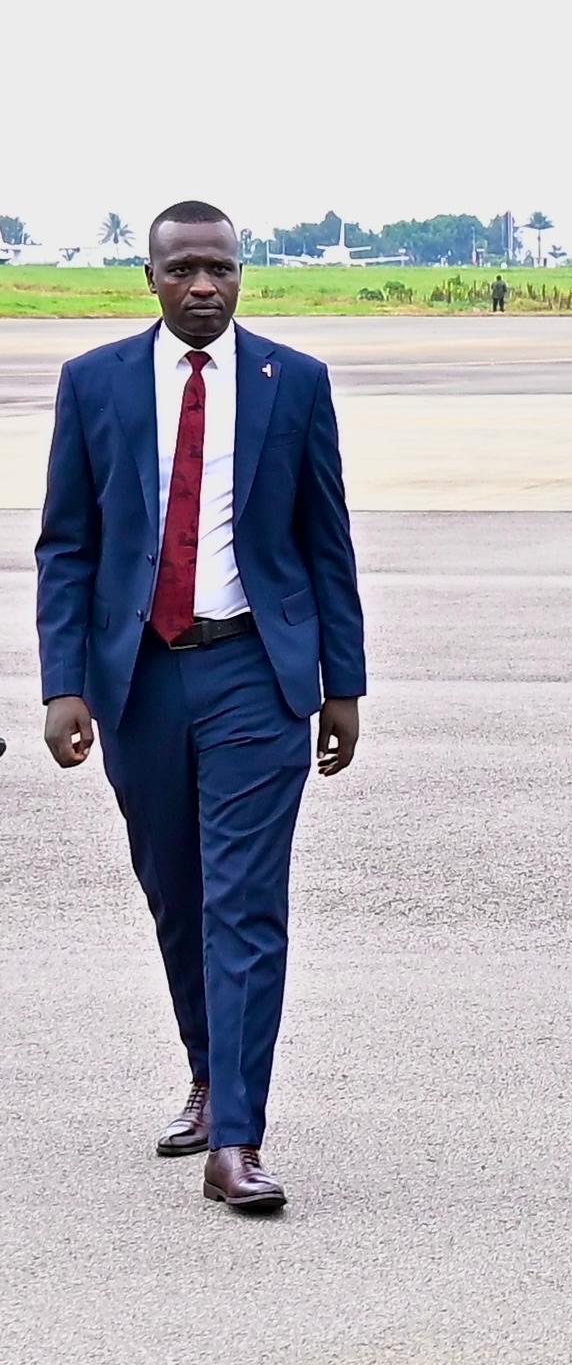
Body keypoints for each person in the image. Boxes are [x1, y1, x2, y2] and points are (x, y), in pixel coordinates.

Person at [36, 201, 366, 1213]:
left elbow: (326, 539)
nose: (204, 286)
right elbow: (67, 546)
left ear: (241, 273)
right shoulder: (94, 382)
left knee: (244, 902)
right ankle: (208, 1072)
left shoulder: (292, 381)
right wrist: (63, 682)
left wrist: (343, 684)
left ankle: (237, 1140)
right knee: (177, 892)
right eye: (182, 269)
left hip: (255, 672)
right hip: (139, 676)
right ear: (150, 277)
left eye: (220, 267)